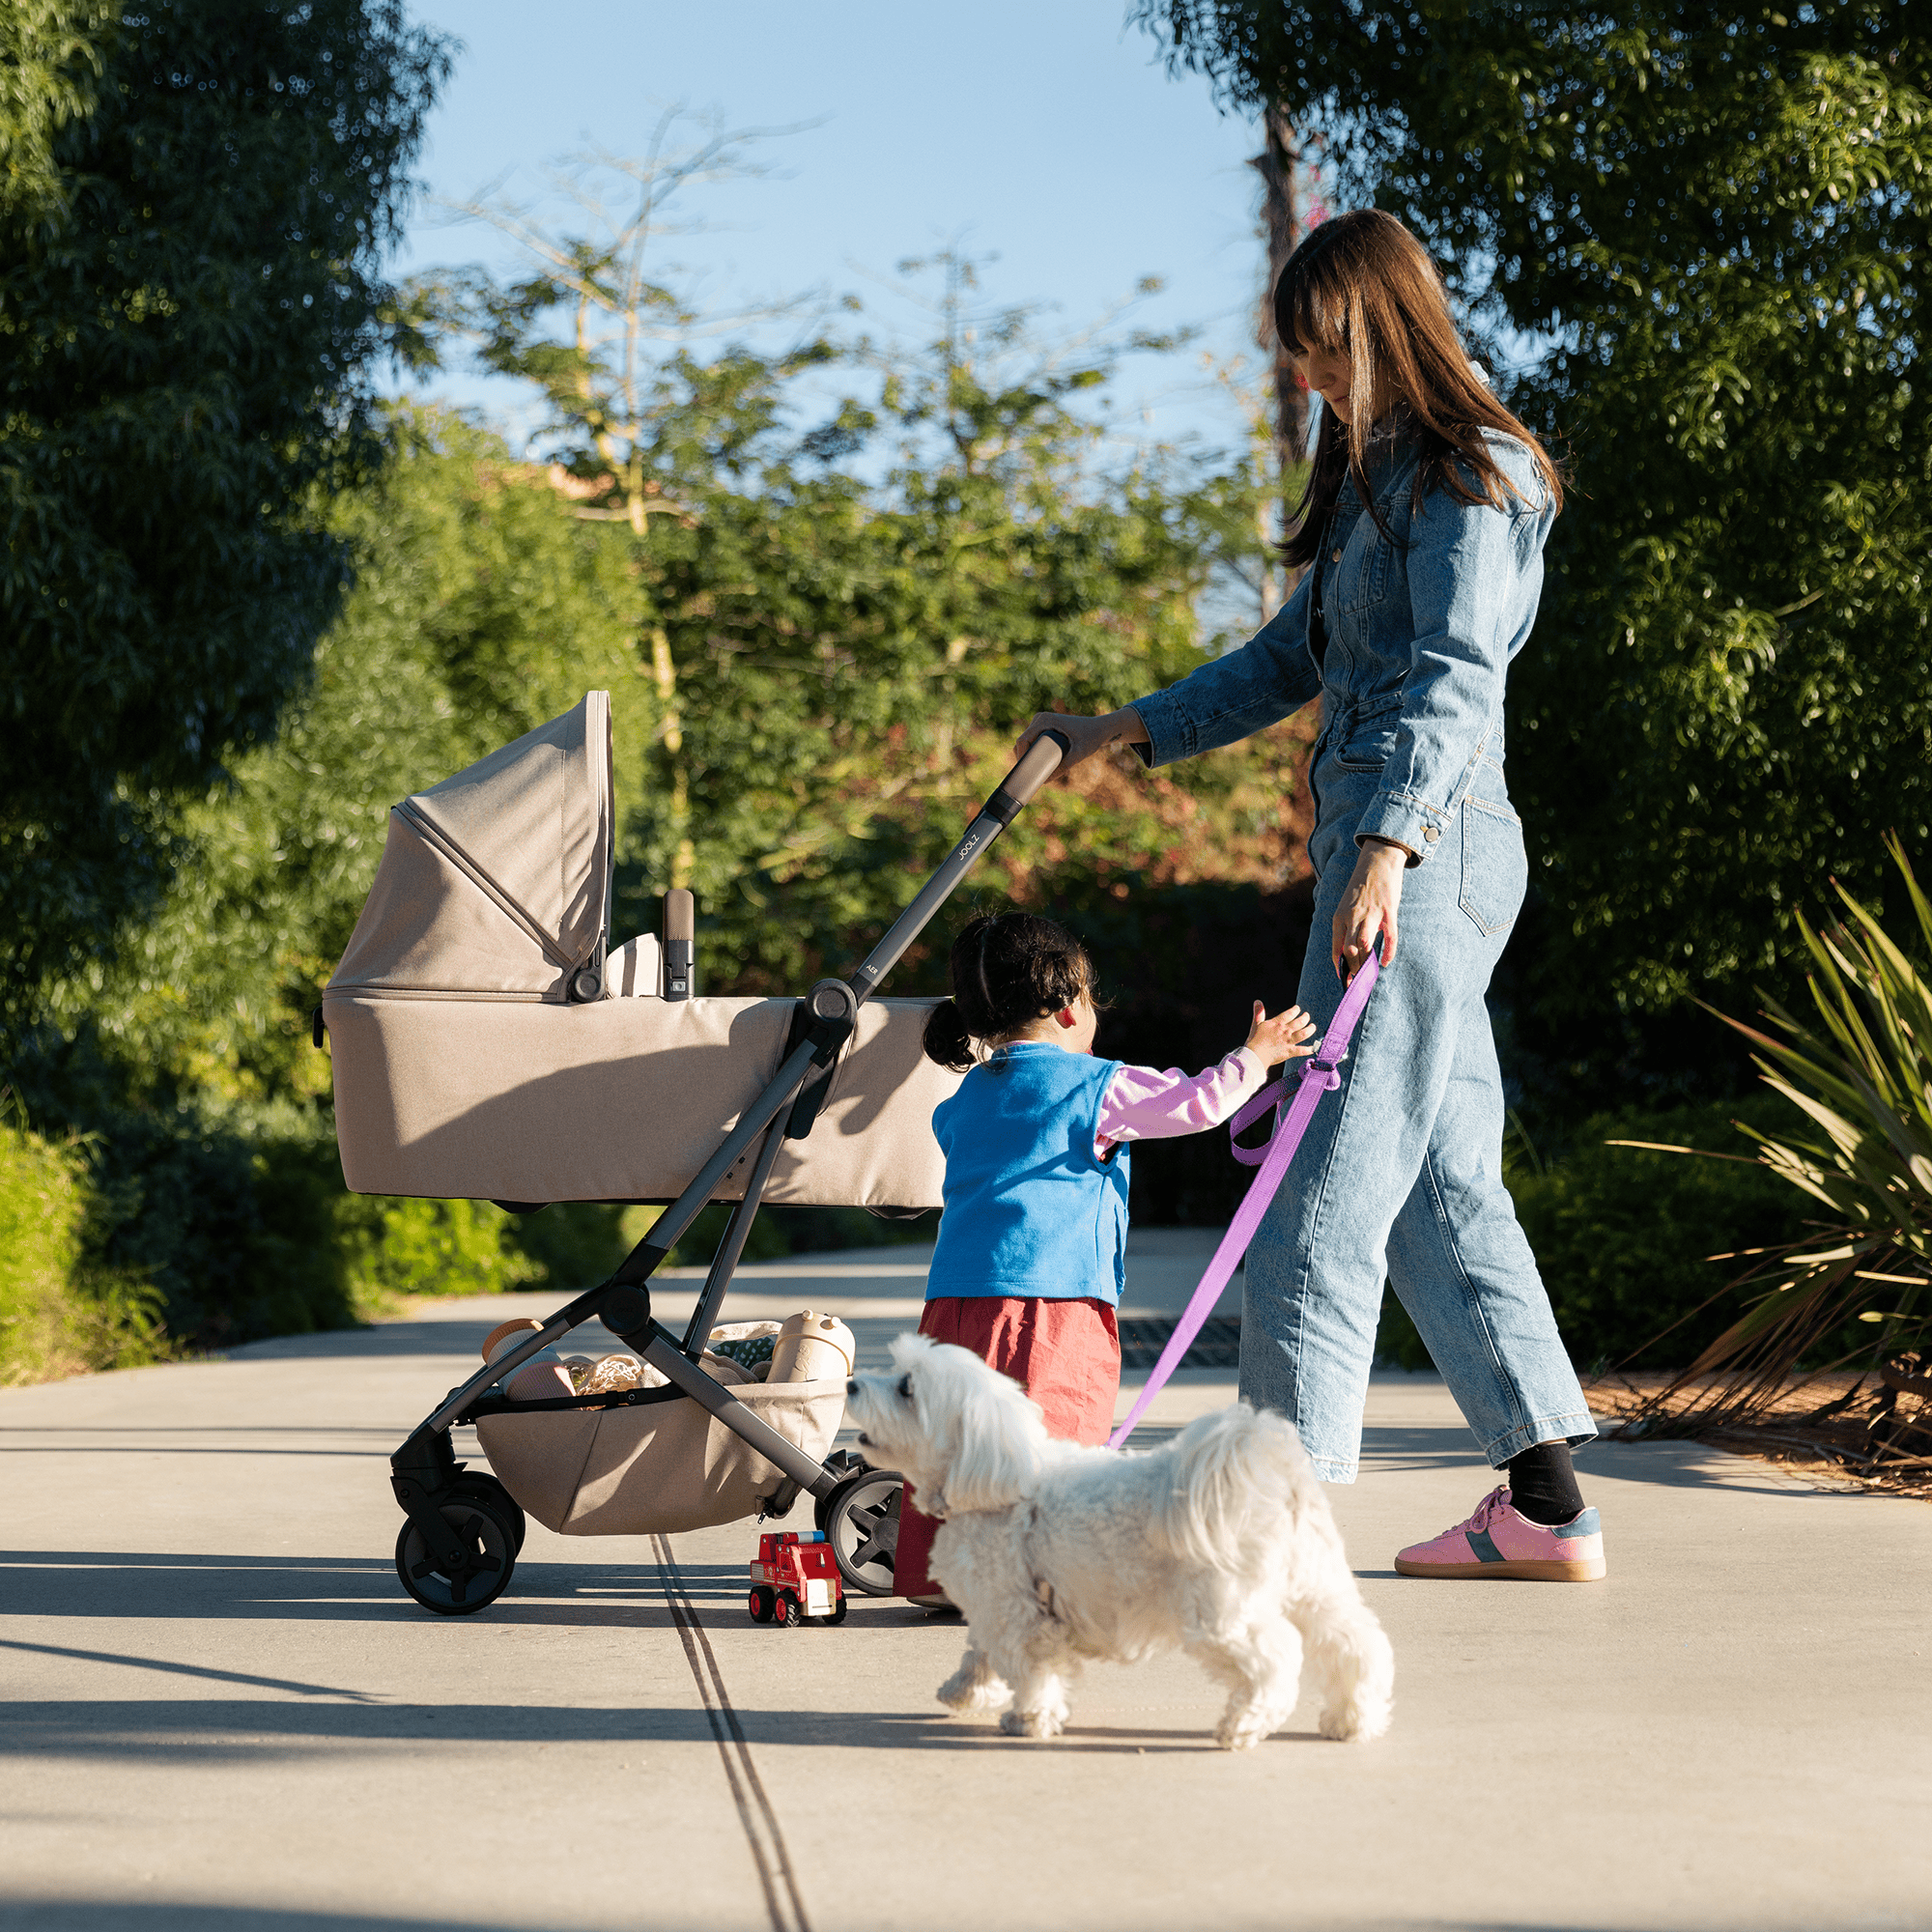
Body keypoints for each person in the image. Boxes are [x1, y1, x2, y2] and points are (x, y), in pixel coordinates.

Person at [1014, 209, 1605, 1583]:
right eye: (1297, 359)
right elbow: (1294, 659)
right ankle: (1548, 1502)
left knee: (1319, 1180)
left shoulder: (1472, 472)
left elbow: (1459, 673)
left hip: (1428, 847)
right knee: (1440, 1188)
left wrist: (1390, 850)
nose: (1310, 382)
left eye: (1323, 350)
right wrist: (1126, 724)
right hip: (1392, 851)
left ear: (1382, 322)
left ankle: (1263, 1536)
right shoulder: (1374, 485)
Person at [893, 910, 1317, 1606]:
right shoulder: (1097, 1087)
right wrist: (1258, 1056)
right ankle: (1048, 1574)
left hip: (956, 1305)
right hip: (1052, 1304)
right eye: (1091, 999)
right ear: (1065, 1006)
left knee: (957, 1440)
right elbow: (1197, 1103)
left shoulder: (965, 1098)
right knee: (1055, 1445)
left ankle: (949, 1572)